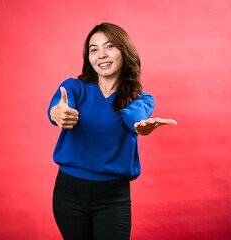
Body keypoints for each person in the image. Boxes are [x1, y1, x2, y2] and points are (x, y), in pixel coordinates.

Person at [47, 22, 177, 240]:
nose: (101, 55)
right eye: (94, 49)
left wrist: (141, 126)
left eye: (109, 47)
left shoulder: (141, 99)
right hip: (68, 194)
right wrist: (57, 113)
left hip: (112, 197)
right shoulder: (75, 88)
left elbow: (135, 115)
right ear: (88, 57)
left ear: (124, 51)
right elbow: (57, 107)